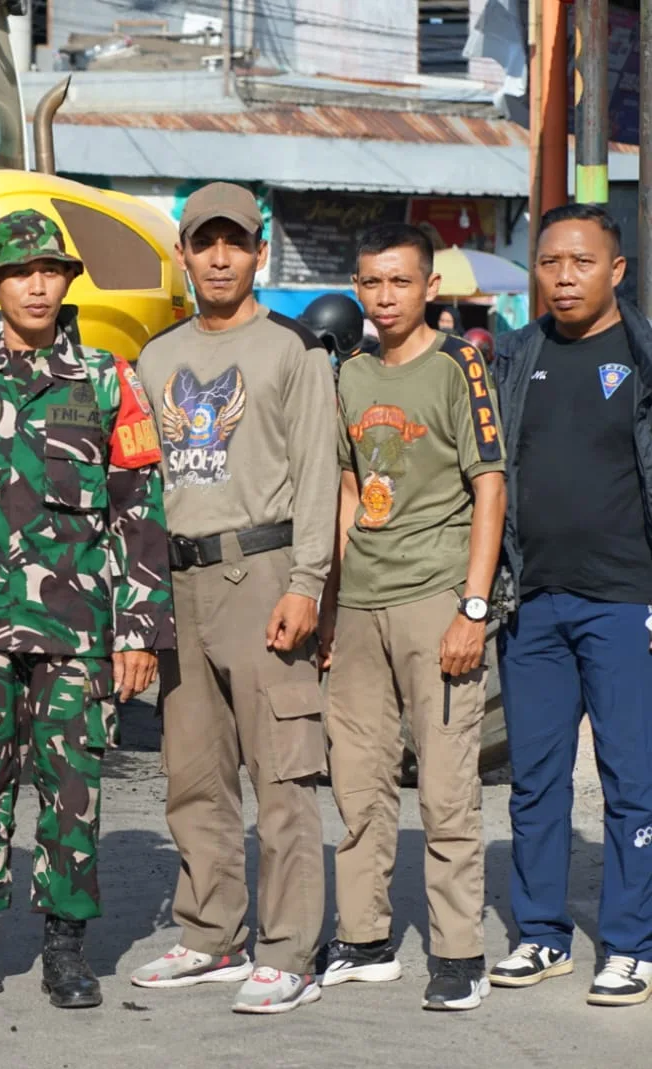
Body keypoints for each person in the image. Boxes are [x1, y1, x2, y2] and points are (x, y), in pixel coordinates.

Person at [0, 210, 171, 1011]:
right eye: (19, 272)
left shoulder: (106, 379)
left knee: (73, 783)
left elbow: (139, 509)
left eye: (50, 271)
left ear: (66, 282)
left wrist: (137, 629)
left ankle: (65, 948)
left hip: (78, 628)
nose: (36, 283)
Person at [128, 182, 338, 1014]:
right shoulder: (155, 357)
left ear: (259, 253)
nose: (219, 257)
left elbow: (320, 475)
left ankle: (289, 949)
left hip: (264, 574)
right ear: (182, 254)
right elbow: (141, 484)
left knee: (282, 773)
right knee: (194, 770)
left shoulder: (291, 352)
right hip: (179, 580)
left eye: (235, 242)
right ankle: (211, 931)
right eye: (204, 242)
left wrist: (308, 583)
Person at [318, 223, 507, 1011]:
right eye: (371, 283)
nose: (384, 297)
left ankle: (460, 951)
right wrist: (328, 602)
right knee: (357, 783)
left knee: (446, 786)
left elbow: (489, 485)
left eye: (398, 282)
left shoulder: (457, 367)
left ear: (429, 286)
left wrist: (472, 607)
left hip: (436, 597)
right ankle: (364, 937)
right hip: (360, 605)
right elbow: (345, 487)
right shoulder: (351, 376)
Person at [490, 203, 652, 1006]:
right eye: (550, 262)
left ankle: (629, 942)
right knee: (536, 780)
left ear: (616, 270)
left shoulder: (646, 357)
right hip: (535, 600)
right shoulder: (516, 357)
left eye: (581, 262)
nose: (562, 276)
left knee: (632, 780)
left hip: (627, 602)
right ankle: (541, 933)